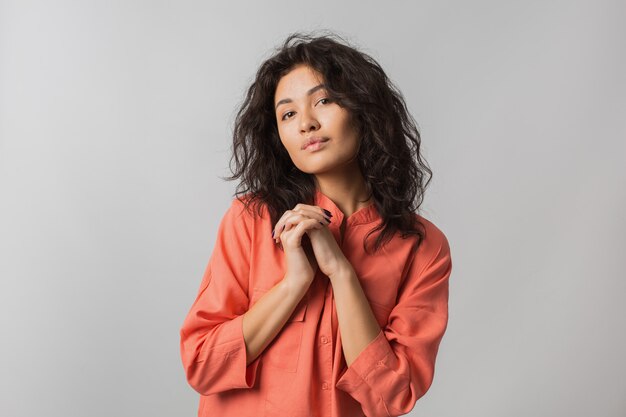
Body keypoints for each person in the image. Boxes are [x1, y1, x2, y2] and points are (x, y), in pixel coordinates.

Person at [179, 31, 452, 417]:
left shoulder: (422, 246)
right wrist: (294, 284)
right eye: (288, 114)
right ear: (280, 138)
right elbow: (202, 364)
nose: (306, 123)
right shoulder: (251, 219)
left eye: (323, 100)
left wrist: (341, 272)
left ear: (363, 110)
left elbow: (392, 397)